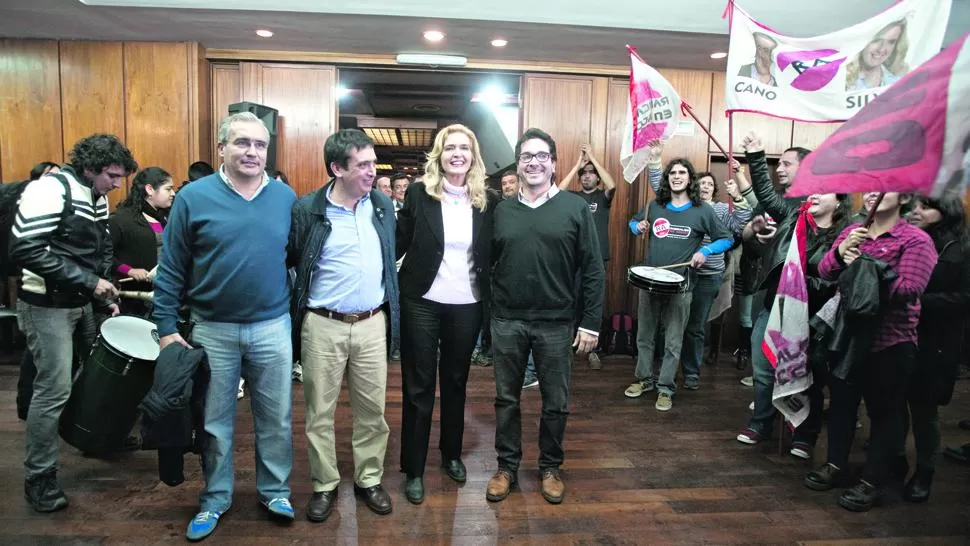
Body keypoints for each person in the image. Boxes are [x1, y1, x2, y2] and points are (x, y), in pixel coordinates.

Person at [154, 112, 298, 540]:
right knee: (214, 422)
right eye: (242, 143)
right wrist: (164, 325)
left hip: (273, 326)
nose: (252, 151)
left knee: (276, 418)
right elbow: (172, 267)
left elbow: (290, 259)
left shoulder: (285, 197)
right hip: (212, 329)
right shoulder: (193, 197)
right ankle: (215, 497)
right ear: (221, 149)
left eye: (259, 144)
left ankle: (275, 490)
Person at [12, 134, 135, 513]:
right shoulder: (50, 190)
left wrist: (102, 296)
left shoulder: (95, 195)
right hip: (45, 305)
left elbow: (96, 253)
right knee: (53, 390)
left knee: (97, 374)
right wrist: (91, 283)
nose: (117, 184)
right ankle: (40, 476)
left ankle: (95, 435)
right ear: (90, 167)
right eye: (112, 176)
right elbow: (26, 249)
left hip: (81, 301)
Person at [486, 128, 604, 505]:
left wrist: (590, 322)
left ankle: (551, 466)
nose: (533, 162)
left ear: (553, 163)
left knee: (556, 402)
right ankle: (506, 466)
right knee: (506, 400)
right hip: (507, 320)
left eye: (541, 156)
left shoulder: (574, 208)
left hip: (557, 323)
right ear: (518, 165)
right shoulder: (500, 211)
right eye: (526, 157)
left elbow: (593, 269)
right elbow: (486, 265)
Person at [290, 129, 400, 523]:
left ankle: (369, 479)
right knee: (319, 412)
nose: (373, 171)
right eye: (364, 164)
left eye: (373, 162)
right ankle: (324, 484)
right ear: (337, 168)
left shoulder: (382, 207)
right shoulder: (308, 210)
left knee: (373, 411)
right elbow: (292, 260)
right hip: (323, 325)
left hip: (372, 323)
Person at [812, 191, 936, 512]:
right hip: (847, 336)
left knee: (885, 414)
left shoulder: (915, 240)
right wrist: (841, 251)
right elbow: (826, 271)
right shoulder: (854, 231)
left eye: (882, 186)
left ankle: (872, 481)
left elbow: (909, 289)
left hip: (890, 341)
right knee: (841, 406)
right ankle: (836, 465)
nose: (871, 193)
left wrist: (866, 265)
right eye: (868, 186)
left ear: (904, 196)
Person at [396, 124, 498, 504]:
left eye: (464, 148)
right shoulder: (421, 193)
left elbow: (494, 253)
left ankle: (451, 454)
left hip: (467, 302)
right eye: (450, 147)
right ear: (439, 154)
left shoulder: (486, 200)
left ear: (473, 156)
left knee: (455, 383)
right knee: (419, 386)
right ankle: (415, 467)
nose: (457, 153)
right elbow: (399, 239)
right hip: (421, 300)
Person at [734, 134, 851, 460]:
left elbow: (828, 273)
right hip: (773, 307)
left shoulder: (843, 234)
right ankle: (760, 424)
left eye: (822, 190)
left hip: (813, 315)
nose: (813, 194)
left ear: (839, 199)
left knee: (807, 377)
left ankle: (805, 433)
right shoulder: (792, 216)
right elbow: (767, 194)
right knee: (764, 371)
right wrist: (756, 155)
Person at [625, 156, 732, 411]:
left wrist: (705, 252)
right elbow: (632, 223)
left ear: (689, 179)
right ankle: (643, 379)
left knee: (674, 339)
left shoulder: (702, 210)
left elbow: (726, 238)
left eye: (682, 172)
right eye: (672, 172)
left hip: (681, 285)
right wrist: (636, 226)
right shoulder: (656, 205)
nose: (676, 176)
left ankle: (665, 387)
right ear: (667, 178)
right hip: (650, 281)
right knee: (645, 335)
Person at [644, 142, 752, 389]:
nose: (704, 187)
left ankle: (691, 372)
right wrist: (655, 160)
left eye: (709, 184)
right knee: (670, 325)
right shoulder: (682, 205)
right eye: (701, 183)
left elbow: (738, 227)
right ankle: (662, 371)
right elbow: (658, 185)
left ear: (713, 190)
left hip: (708, 276)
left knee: (694, 327)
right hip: (682, 274)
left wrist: (739, 196)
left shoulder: (720, 210)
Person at [899, 195, 970, 502]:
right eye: (913, 206)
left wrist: (918, 301)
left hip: (936, 341)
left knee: (924, 411)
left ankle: (924, 472)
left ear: (946, 212)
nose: (916, 212)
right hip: (900, 334)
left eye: (925, 207)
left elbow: (964, 298)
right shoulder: (908, 241)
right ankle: (893, 459)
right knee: (891, 404)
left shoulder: (960, 249)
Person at [558, 144, 616, 370]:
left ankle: (592, 350)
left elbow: (612, 184)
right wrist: (576, 166)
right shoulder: (573, 198)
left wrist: (591, 157)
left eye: (592, 173)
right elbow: (558, 191)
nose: (587, 176)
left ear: (597, 178)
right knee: (571, 303)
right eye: (585, 174)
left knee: (593, 305)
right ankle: (568, 348)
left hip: (597, 258)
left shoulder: (603, 197)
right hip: (573, 260)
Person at [108, 167, 175, 317]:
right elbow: (104, 256)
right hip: (133, 300)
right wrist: (129, 270)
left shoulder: (167, 217)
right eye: (168, 189)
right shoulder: (122, 220)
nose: (173, 193)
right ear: (150, 190)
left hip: (164, 295)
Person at [845, 20, 910, 91]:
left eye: (891, 42)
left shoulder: (898, 84)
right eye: (876, 40)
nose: (882, 49)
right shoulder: (839, 79)